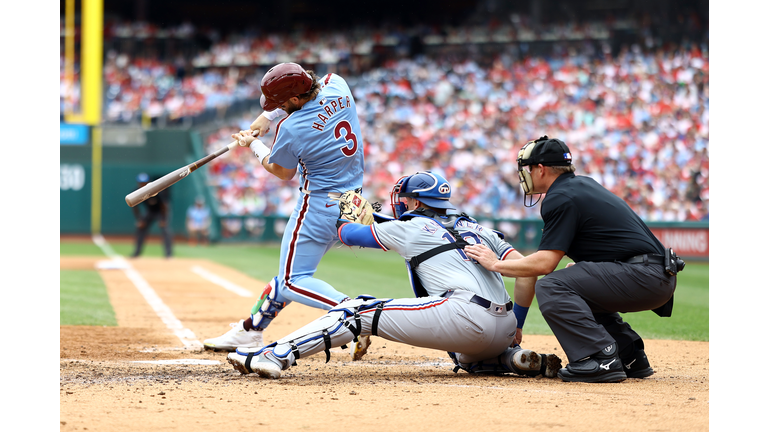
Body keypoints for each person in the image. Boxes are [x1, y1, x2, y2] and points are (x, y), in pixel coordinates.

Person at [225, 171, 562, 379]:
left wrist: (346, 210)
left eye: (403, 199)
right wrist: (517, 325)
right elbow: (526, 272)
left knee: (356, 311)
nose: (399, 203)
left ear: (415, 202)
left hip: (464, 317)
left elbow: (347, 233)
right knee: (463, 355)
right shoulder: (480, 229)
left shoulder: (411, 228)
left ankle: (275, 355)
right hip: (503, 327)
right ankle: (512, 358)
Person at [464, 136, 683, 383]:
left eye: (528, 168)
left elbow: (544, 264)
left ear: (541, 169)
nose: (525, 175)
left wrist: (495, 264)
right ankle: (629, 355)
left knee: (552, 285)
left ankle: (599, 358)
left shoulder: (560, 196)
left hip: (644, 275)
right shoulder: (582, 185)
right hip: (657, 275)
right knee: (572, 282)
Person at [203, 62, 372, 360]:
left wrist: (253, 144)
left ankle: (355, 311)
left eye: (280, 103)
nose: (277, 108)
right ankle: (251, 329)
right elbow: (316, 86)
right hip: (354, 202)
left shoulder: (292, 127)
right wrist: (267, 116)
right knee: (290, 273)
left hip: (318, 205)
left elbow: (282, 171)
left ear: (294, 99)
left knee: (294, 279)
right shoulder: (338, 84)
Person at [131, 172, 173, 258]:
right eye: (140, 183)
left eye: (144, 183)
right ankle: (136, 253)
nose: (142, 184)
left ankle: (168, 255)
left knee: (166, 231)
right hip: (150, 211)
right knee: (140, 229)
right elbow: (135, 207)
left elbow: (164, 206)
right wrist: (140, 219)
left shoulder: (156, 190)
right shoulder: (137, 192)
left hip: (160, 211)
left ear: (148, 182)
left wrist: (164, 219)